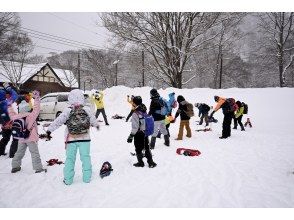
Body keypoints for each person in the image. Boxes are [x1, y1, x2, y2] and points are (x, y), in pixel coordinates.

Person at [45, 89, 100, 185]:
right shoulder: (86, 109)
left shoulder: (68, 110)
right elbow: (93, 120)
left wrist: (49, 130)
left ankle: (68, 180)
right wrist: (97, 125)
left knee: (70, 159)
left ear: (70, 98)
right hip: (85, 138)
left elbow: (58, 121)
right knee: (86, 157)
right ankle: (87, 178)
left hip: (71, 138)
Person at [9, 90, 47, 173]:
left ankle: (15, 167)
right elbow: (37, 108)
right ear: (28, 108)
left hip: (21, 138)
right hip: (31, 138)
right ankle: (38, 168)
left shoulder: (16, 117)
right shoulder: (31, 115)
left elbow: (11, 114)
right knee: (34, 153)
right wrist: (36, 98)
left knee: (19, 153)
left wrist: (9, 106)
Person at [127, 96, 157, 168]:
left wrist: (131, 136)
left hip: (139, 133)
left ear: (134, 103)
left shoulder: (135, 113)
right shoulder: (143, 109)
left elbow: (135, 127)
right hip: (145, 132)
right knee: (146, 147)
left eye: (133, 102)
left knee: (138, 148)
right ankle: (151, 162)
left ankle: (140, 163)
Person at [0, 83, 19, 157]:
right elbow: (15, 95)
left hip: (4, 123)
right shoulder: (6, 102)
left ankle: (0, 152)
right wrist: (9, 88)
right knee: (15, 138)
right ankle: (13, 154)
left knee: (5, 138)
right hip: (10, 122)